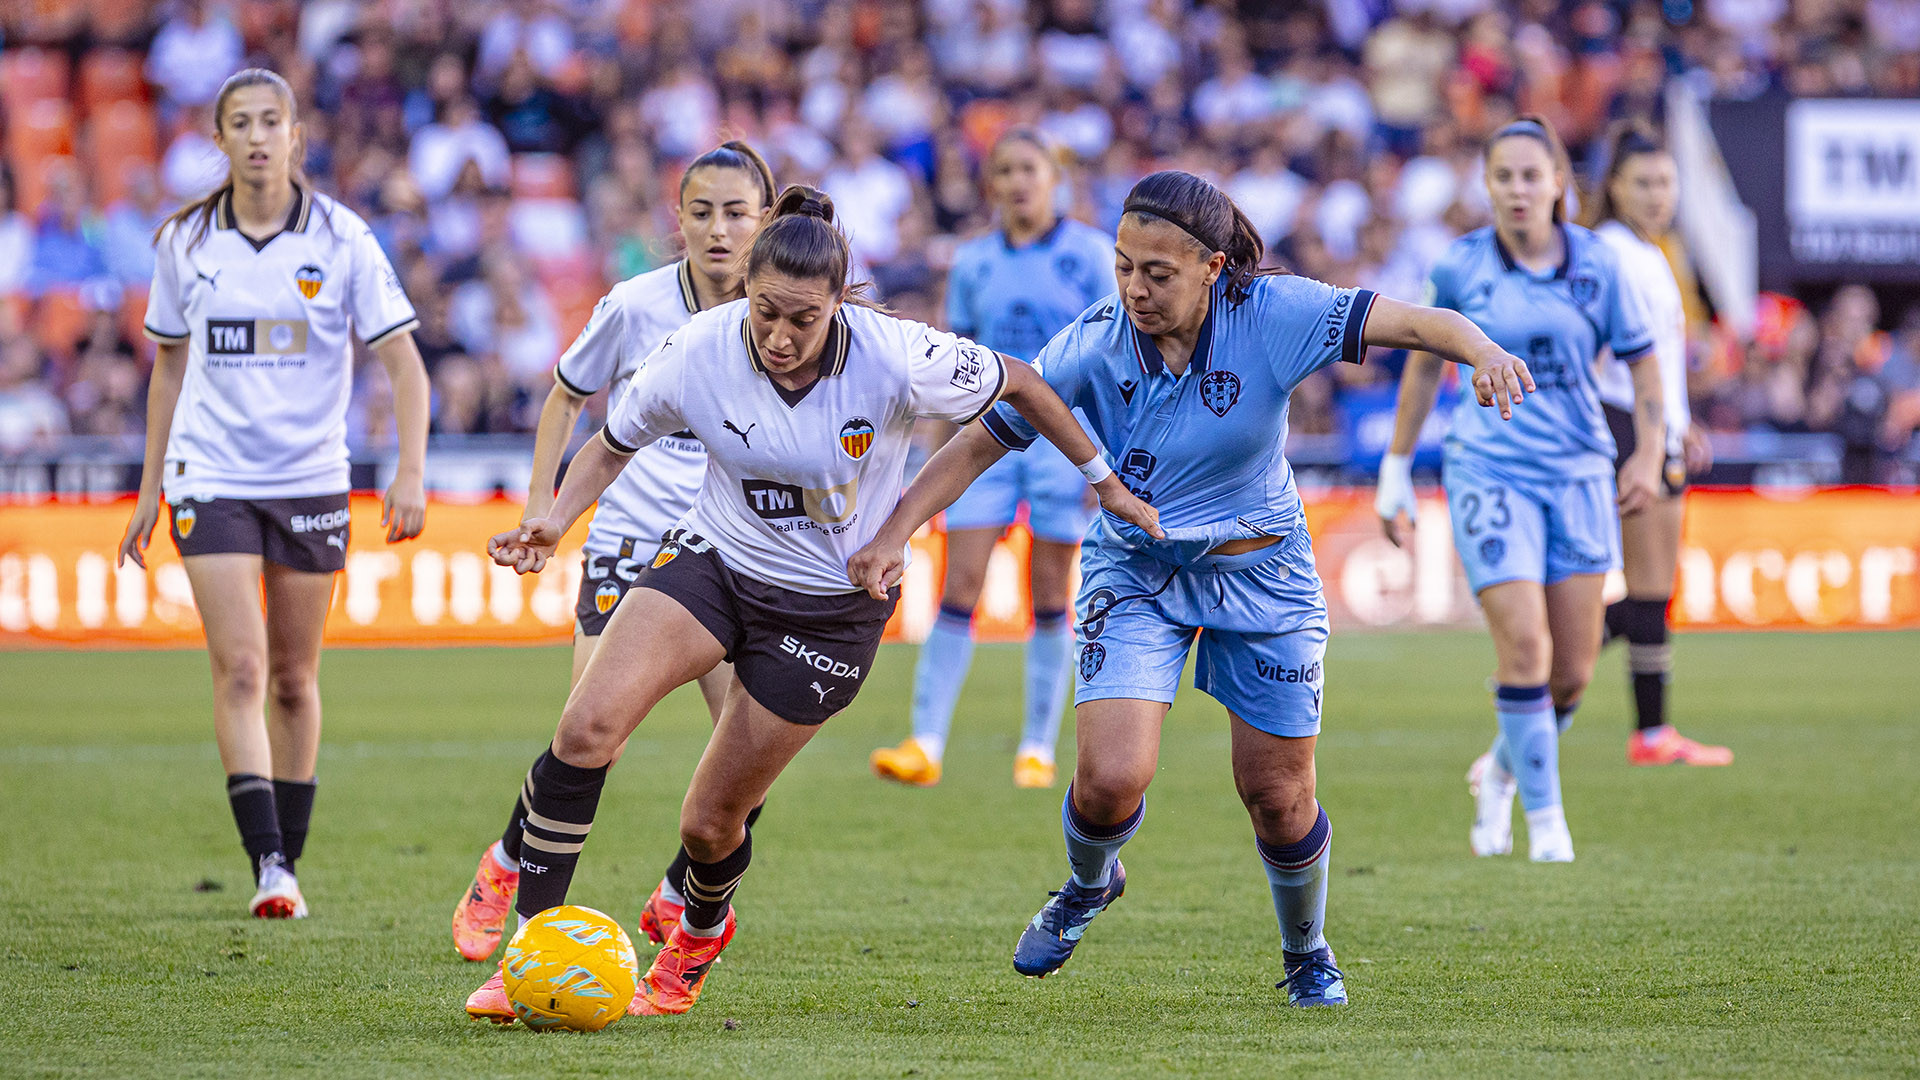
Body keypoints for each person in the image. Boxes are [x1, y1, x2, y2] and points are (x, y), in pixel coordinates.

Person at [463, 186, 1159, 1023]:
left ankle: (697, 935)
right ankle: (531, 951)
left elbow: (1025, 385)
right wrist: (552, 521)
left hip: (828, 611)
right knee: (584, 731)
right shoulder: (699, 348)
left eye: (804, 319)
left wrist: (1104, 484)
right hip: (713, 563)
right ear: (746, 292)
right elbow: (610, 445)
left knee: (710, 824)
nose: (781, 337)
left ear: (839, 304)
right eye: (766, 314)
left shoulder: (896, 354)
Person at [848, 170, 1534, 1008]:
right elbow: (979, 442)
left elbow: (1423, 323)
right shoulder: (1091, 343)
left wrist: (1487, 352)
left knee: (1277, 797)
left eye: (1158, 272)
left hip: (1265, 572)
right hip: (1137, 571)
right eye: (1124, 266)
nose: (1135, 288)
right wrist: (894, 531)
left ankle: (1307, 950)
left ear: (1213, 266)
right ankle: (1089, 883)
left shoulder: (1279, 314)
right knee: (1108, 782)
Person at [449, 142, 781, 964]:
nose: (717, 229)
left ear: (765, 220)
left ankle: (678, 889)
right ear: (677, 220)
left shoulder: (785, 316)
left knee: (750, 752)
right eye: (701, 211)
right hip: (631, 540)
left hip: (732, 552)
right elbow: (566, 392)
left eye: (737, 212)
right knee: (591, 733)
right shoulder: (635, 305)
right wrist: (541, 509)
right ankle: (508, 863)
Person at [116, 69, 429, 918]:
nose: (257, 137)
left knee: (295, 677)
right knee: (243, 665)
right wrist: (149, 490)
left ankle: (290, 853)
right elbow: (168, 369)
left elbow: (404, 363)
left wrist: (409, 469)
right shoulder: (185, 242)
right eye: (240, 124)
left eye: (272, 121)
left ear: (297, 134)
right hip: (209, 477)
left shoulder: (342, 239)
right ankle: (268, 867)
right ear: (218, 141)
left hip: (311, 479)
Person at [1374, 116, 1664, 864]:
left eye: (1532, 175)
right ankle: (1548, 826)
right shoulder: (1460, 267)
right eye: (1503, 176)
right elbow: (1419, 366)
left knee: (1572, 670)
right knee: (1526, 650)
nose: (1518, 189)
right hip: (1489, 469)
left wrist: (1649, 452)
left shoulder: (1601, 265)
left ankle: (1501, 770)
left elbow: (1644, 363)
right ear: (1487, 184)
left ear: (1560, 183)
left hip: (1578, 472)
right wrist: (1396, 467)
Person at [869, 129, 1114, 790]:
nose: (1017, 181)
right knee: (962, 584)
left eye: (1029, 168)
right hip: (990, 439)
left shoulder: (1091, 255)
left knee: (1049, 590)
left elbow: (1114, 357)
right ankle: (925, 742)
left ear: (1053, 177)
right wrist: (935, 452)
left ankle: (1037, 746)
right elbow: (956, 366)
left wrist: (1106, 460)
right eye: (1004, 171)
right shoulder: (975, 263)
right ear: (993, 186)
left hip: (1069, 440)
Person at [1586, 122, 1732, 768]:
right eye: (1643, 182)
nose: (1657, 194)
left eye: (1666, 182)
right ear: (1615, 188)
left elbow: (1660, 359)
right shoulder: (1611, 253)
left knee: (1651, 589)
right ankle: (1638, 727)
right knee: (1648, 586)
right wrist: (1658, 427)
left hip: (1654, 425)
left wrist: (1682, 418)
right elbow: (1601, 353)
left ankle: (1550, 668)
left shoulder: (1652, 252)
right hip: (1628, 426)